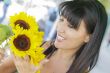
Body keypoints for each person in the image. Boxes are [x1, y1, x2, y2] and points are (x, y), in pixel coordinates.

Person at [0, 0, 108, 73]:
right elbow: (4, 69)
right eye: (61, 20)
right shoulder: (38, 47)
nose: (60, 29)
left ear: (88, 37)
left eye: (71, 26)